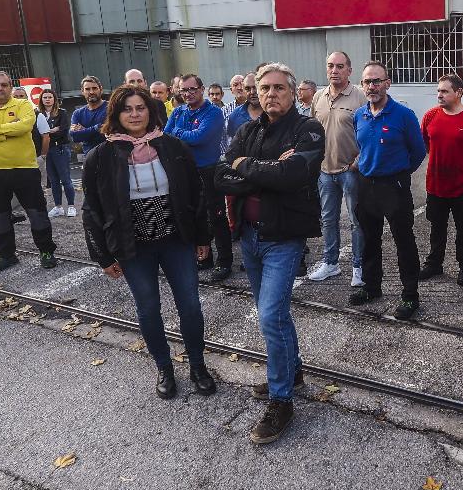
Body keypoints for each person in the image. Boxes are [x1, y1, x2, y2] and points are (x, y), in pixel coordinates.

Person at [83, 85, 215, 400]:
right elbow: (92, 210)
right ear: (115, 114)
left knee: (191, 306)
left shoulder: (173, 146)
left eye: (140, 108)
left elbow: (196, 195)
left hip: (176, 240)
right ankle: (164, 369)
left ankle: (197, 365)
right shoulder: (100, 156)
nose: (134, 114)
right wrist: (103, 256)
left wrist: (202, 237)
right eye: (127, 109)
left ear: (150, 111)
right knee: (148, 310)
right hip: (133, 247)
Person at [215, 63, 325, 444]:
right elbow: (219, 174)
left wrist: (246, 167)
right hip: (249, 237)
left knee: (271, 315)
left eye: (279, 88)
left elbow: (293, 175)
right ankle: (291, 371)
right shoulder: (247, 130)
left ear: (293, 93)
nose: (271, 94)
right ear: (255, 93)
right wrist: (263, 169)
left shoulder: (308, 129)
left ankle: (282, 400)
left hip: (284, 238)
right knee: (276, 315)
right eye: (264, 88)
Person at [349, 61, 427, 319]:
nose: (371, 86)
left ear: (387, 83)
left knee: (403, 241)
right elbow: (363, 148)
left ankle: (410, 295)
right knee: (369, 240)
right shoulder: (359, 115)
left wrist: (400, 173)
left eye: (376, 81)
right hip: (366, 185)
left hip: (394, 187)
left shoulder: (403, 115)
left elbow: (418, 151)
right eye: (367, 82)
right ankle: (372, 287)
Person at [0, 70, 58, 272]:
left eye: (4, 85)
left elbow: (24, 128)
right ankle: (6, 255)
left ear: (10, 87)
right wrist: (5, 134)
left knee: (37, 213)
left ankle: (46, 252)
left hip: (25, 169)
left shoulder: (23, 104)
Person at [164, 73, 232, 282]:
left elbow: (200, 138)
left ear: (201, 89)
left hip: (209, 170)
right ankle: (205, 257)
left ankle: (224, 261)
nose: (188, 94)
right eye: (184, 90)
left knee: (216, 216)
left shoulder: (214, 112)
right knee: (194, 215)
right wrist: (183, 134)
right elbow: (166, 136)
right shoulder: (178, 111)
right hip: (185, 171)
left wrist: (179, 133)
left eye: (192, 89)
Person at [307, 51, 366, 286]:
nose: (334, 70)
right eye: (331, 66)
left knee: (356, 221)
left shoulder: (359, 97)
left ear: (349, 71)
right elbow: (311, 132)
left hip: (350, 171)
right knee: (328, 220)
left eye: (340, 66)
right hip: (325, 172)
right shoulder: (318, 97)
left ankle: (358, 267)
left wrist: (359, 160)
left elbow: (368, 133)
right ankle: (330, 263)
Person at [419, 74, 463, 286]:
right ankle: (434, 263)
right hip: (436, 186)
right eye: (438, 91)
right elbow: (426, 145)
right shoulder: (430, 116)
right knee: (436, 226)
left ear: (458, 93)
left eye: (444, 91)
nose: (440, 95)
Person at [36, 90, 76, 218]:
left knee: (65, 179)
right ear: (41, 99)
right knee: (53, 181)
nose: (47, 99)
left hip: (61, 149)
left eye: (50, 97)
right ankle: (58, 207)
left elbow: (63, 130)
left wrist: (47, 132)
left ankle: (71, 206)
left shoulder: (62, 113)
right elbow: (37, 133)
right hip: (47, 150)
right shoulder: (38, 114)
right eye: (45, 97)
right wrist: (53, 129)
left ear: (54, 99)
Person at [70, 75, 108, 160]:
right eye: (87, 89)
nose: (91, 92)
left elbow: (108, 131)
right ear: (82, 91)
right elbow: (74, 136)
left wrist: (84, 131)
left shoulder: (110, 108)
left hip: (111, 157)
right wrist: (96, 128)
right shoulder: (77, 113)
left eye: (94, 88)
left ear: (101, 89)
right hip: (89, 159)